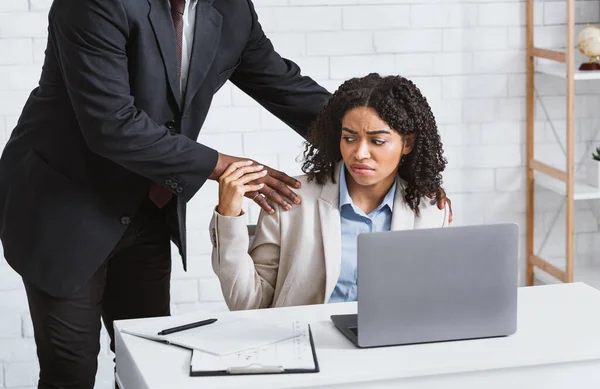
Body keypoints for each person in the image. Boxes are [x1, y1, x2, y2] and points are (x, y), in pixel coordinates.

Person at [0, 1, 450, 388]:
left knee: (144, 360)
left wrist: (388, 152)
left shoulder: (229, 9)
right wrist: (225, 168)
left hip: (147, 207)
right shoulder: (95, 5)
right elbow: (110, 123)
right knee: (71, 371)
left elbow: (286, 88)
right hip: (65, 207)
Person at [211, 73, 450, 311]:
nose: (359, 153)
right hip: (306, 340)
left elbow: (433, 305)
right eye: (349, 138)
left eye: (377, 141)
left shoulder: (430, 210)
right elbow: (249, 304)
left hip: (390, 344)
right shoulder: (292, 200)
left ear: (407, 144)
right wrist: (228, 216)